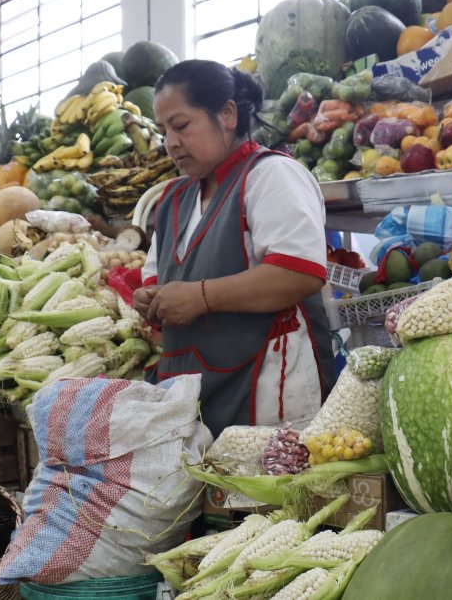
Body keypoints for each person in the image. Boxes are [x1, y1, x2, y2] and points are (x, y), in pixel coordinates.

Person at [134, 60, 333, 438]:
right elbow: (157, 276)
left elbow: (300, 272)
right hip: (193, 392)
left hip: (268, 386)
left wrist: (201, 297)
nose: (170, 143)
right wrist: (149, 298)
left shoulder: (271, 176)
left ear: (226, 114)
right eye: (163, 131)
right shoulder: (174, 198)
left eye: (181, 126)